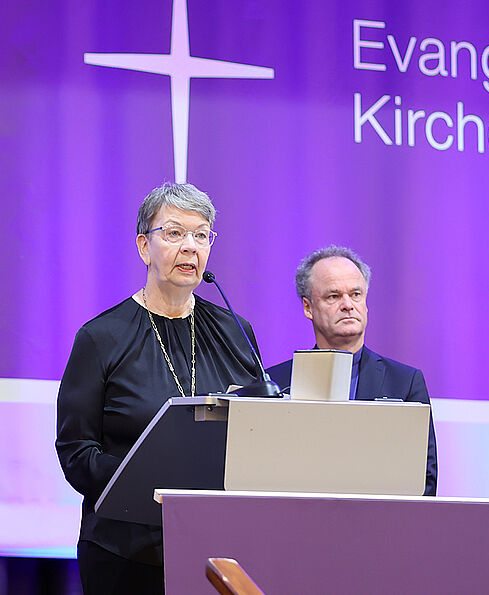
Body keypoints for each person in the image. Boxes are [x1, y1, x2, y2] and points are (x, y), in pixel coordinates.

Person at [56, 183, 263, 594]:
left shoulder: (236, 333)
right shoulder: (102, 337)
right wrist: (148, 486)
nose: (190, 247)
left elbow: (257, 434)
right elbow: (77, 452)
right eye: (173, 233)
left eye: (201, 235)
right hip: (124, 551)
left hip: (218, 551)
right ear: (143, 247)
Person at [266, 245, 438, 495]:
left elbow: (425, 478)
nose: (348, 305)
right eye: (333, 296)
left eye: (356, 294)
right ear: (308, 307)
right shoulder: (275, 383)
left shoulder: (405, 382)